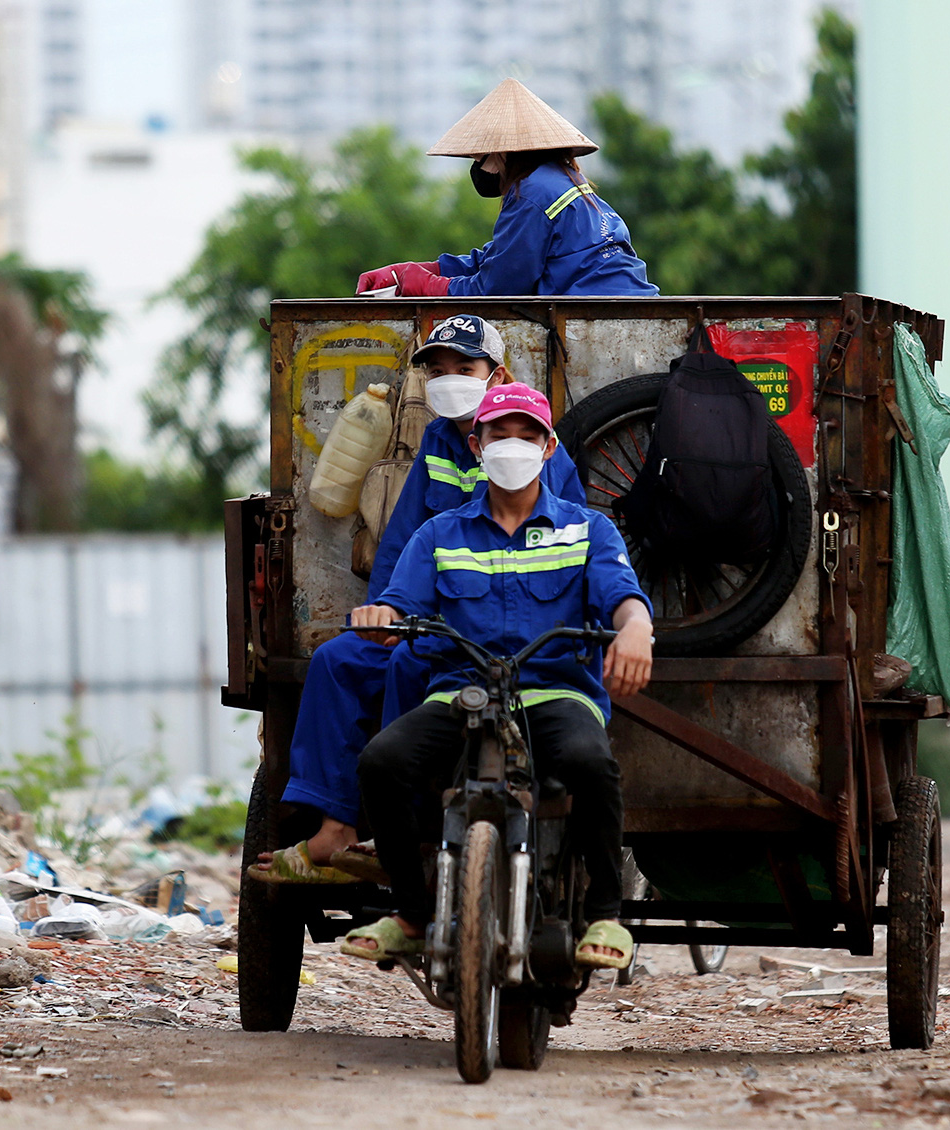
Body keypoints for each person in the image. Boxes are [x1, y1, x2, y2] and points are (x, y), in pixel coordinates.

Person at [248, 317, 587, 883]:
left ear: (497, 375)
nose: (450, 380)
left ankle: (400, 833)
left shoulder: (531, 452)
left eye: (465, 368)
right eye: (439, 370)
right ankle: (336, 826)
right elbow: (405, 540)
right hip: (429, 622)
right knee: (337, 660)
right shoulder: (438, 440)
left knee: (410, 665)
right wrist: (387, 612)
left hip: (493, 635)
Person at [338, 383, 653, 970]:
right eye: (498, 434)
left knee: (591, 763)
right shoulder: (439, 534)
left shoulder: (587, 529)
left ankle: (606, 914)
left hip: (556, 691)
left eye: (526, 435)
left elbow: (623, 597)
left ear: (549, 446)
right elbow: (399, 604)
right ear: (476, 447)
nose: (513, 445)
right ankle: (411, 914)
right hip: (461, 693)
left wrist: (636, 629)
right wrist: (381, 618)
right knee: (380, 762)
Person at [355, 79, 657, 299]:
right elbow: (504, 257)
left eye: (478, 157)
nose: (477, 165)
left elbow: (497, 287)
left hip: (593, 312)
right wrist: (429, 269)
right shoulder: (562, 180)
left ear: (502, 151)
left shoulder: (531, 193)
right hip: (628, 300)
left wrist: (429, 286)